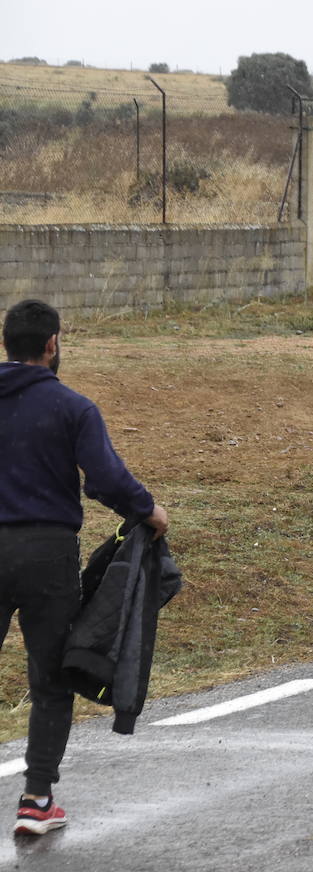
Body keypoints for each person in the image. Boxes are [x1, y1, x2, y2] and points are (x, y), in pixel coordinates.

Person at [1, 299, 169, 836]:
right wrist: (149, 511)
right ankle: (36, 800)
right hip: (48, 554)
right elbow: (106, 480)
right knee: (49, 677)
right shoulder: (72, 407)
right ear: (52, 344)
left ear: (6, 343)